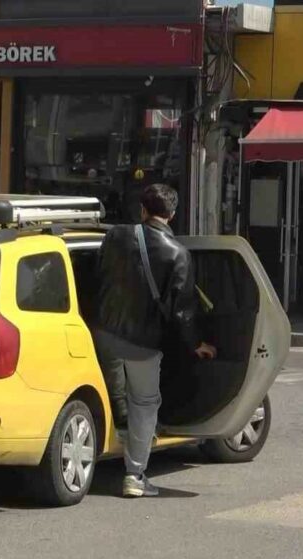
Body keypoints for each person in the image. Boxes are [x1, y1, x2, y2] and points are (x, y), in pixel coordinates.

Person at [94, 184, 217, 498]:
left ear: (142, 210)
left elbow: (98, 276)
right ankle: (134, 475)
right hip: (142, 344)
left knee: (109, 392)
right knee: (145, 403)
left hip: (103, 334)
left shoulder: (115, 236)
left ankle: (118, 435)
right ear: (172, 215)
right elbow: (182, 313)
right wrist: (196, 345)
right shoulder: (179, 254)